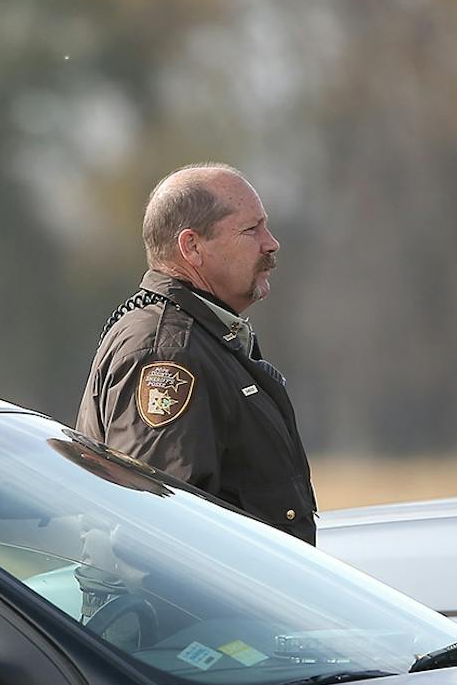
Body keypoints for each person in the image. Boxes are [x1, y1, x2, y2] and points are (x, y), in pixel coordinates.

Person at [77, 163, 318, 543]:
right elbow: (154, 532)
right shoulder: (168, 353)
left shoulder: (200, 337)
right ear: (191, 247)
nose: (271, 243)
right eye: (251, 229)